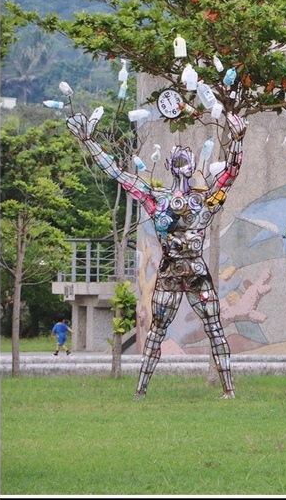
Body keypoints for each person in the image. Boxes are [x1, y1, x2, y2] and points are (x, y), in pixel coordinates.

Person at [67, 110, 246, 399]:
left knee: (214, 329)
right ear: (169, 166)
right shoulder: (157, 198)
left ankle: (228, 390)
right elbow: (118, 173)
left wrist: (238, 140)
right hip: (169, 274)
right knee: (157, 332)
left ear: (192, 166)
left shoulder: (203, 201)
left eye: (186, 158)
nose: (182, 161)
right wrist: (89, 142)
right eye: (178, 159)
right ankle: (140, 391)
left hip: (197, 273)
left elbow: (230, 175)